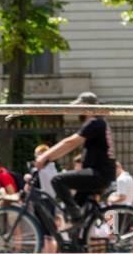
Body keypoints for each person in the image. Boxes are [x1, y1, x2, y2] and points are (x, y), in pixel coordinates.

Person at [36, 92, 115, 224]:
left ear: (86, 106)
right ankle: (76, 240)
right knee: (72, 216)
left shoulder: (95, 122)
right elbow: (69, 147)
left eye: (79, 107)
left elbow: (70, 142)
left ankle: (76, 218)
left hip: (98, 174)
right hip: (100, 174)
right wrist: (50, 158)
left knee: (58, 180)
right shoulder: (99, 122)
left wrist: (45, 156)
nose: (78, 111)